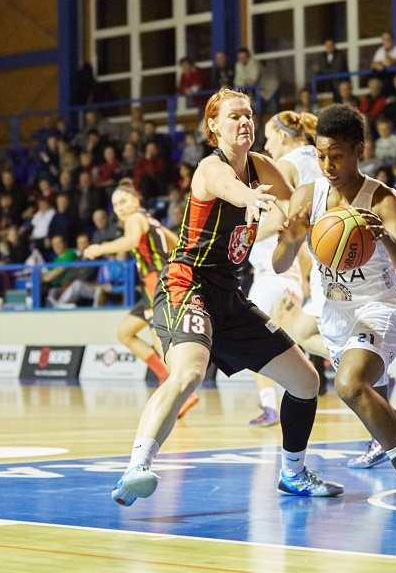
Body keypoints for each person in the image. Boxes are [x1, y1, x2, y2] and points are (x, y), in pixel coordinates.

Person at [111, 88, 341, 507]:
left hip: (228, 294)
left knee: (306, 381)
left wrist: (306, 224)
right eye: (235, 116)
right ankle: (137, 467)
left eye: (249, 114)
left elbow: (292, 217)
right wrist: (252, 198)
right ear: (213, 126)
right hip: (187, 285)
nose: (245, 122)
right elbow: (232, 190)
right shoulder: (210, 168)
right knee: (188, 373)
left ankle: (293, 473)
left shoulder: (262, 165)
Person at [273, 104, 396, 513]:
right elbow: (278, 263)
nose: (328, 165)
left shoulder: (381, 198)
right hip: (336, 315)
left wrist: (386, 239)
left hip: (381, 307)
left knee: (348, 384)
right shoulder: (307, 196)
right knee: (370, 402)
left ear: (360, 149)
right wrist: (291, 237)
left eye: (337, 155)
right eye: (321, 155)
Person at [84, 179, 197, 417]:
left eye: (124, 201)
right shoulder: (152, 221)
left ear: (136, 200)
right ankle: (165, 377)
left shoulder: (135, 219)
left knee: (159, 342)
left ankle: (182, 391)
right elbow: (177, 244)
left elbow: (131, 241)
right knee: (125, 332)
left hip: (157, 285)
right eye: (116, 205)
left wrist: (100, 248)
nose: (120, 208)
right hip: (154, 287)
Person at [244, 112, 323, 428]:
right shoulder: (319, 156)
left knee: (254, 340)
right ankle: (361, 367)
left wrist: (241, 236)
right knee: (301, 335)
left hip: (274, 276)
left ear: (281, 134)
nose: (266, 145)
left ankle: (271, 405)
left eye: (268, 136)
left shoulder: (285, 166)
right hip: (315, 261)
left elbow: (284, 222)